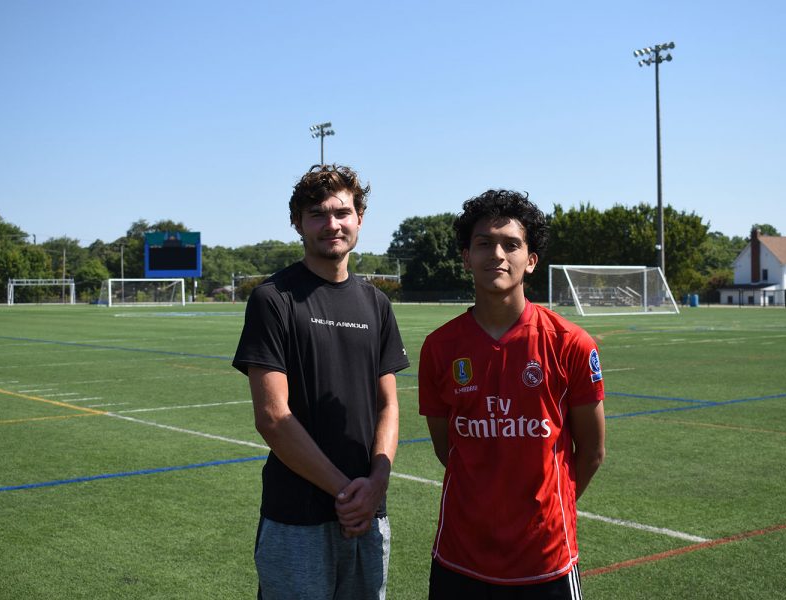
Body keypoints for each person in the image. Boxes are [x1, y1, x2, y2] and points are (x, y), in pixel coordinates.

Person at [232, 164, 410, 600]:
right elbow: (273, 417)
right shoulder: (273, 299)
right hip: (298, 516)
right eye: (317, 214)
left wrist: (377, 483)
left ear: (359, 218)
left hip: (369, 514)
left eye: (342, 212)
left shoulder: (376, 303)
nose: (332, 223)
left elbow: (388, 405)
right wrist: (347, 492)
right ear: (298, 223)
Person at [418, 190, 606, 599]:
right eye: (484, 243)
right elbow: (446, 447)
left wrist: (546, 511)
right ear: (467, 257)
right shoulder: (439, 347)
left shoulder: (571, 343)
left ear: (531, 260)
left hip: (545, 560)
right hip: (460, 557)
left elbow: (590, 452)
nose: (497, 254)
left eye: (511, 244)